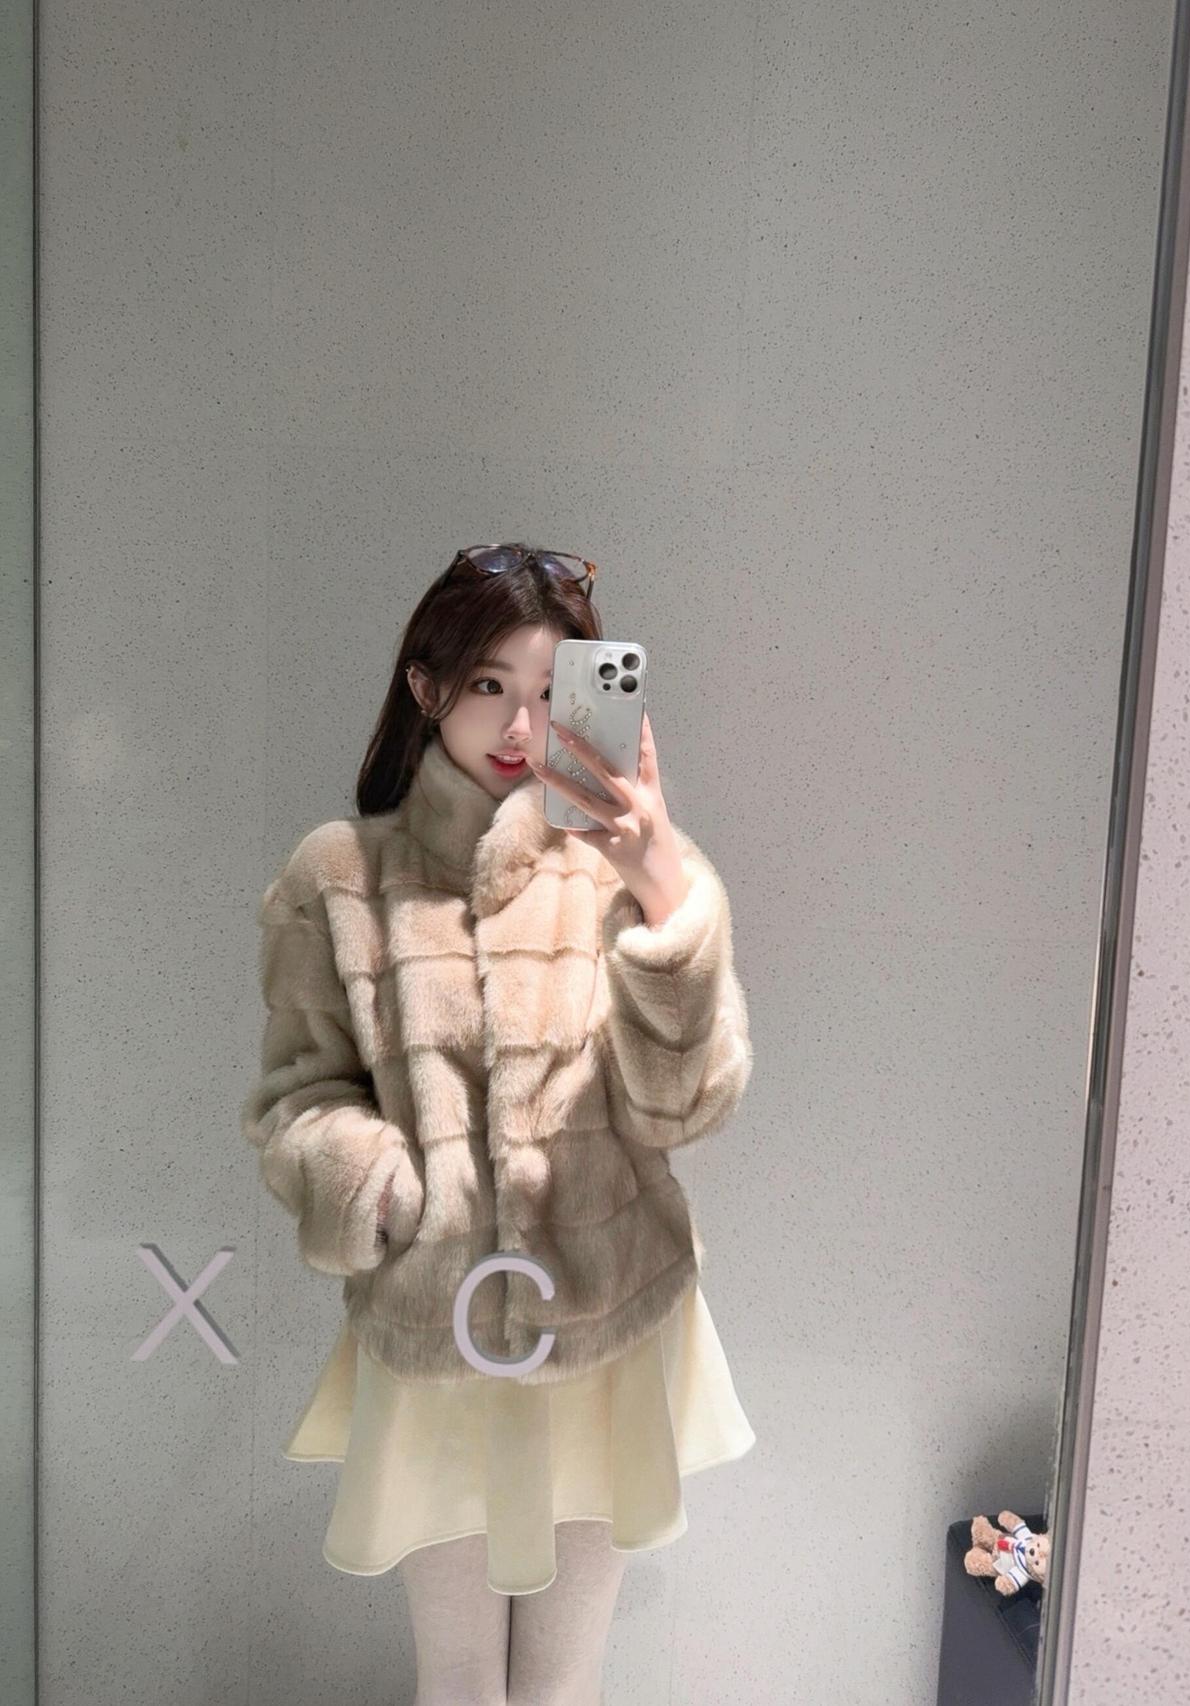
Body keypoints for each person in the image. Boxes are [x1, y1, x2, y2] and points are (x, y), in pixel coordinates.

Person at [242, 544, 755, 1704]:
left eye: (546, 688)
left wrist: (661, 890)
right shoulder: (338, 877)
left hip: (607, 1324)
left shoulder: (629, 873)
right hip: (440, 1330)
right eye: (487, 683)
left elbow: (684, 1104)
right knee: (459, 1684)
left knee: (562, 1687)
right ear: (425, 686)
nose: (521, 724)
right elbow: (295, 1098)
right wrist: (383, 1186)